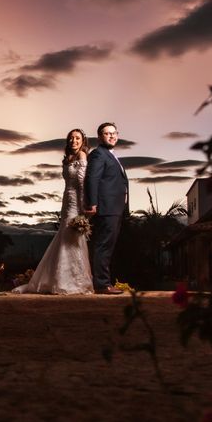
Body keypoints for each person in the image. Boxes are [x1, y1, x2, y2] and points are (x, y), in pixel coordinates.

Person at [13, 129, 94, 294]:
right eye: (71, 138)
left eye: (77, 138)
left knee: (72, 236)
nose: (74, 140)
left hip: (77, 201)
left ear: (83, 141)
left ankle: (75, 281)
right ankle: (58, 278)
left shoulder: (82, 156)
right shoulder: (68, 158)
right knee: (65, 234)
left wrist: (83, 207)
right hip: (66, 200)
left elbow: (80, 181)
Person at [84, 122, 128, 295]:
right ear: (99, 137)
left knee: (108, 246)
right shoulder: (98, 154)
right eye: (107, 133)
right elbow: (92, 179)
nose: (112, 136)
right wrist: (92, 203)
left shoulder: (111, 155)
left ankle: (104, 282)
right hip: (106, 207)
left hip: (115, 208)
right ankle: (102, 284)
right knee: (103, 245)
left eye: (114, 133)